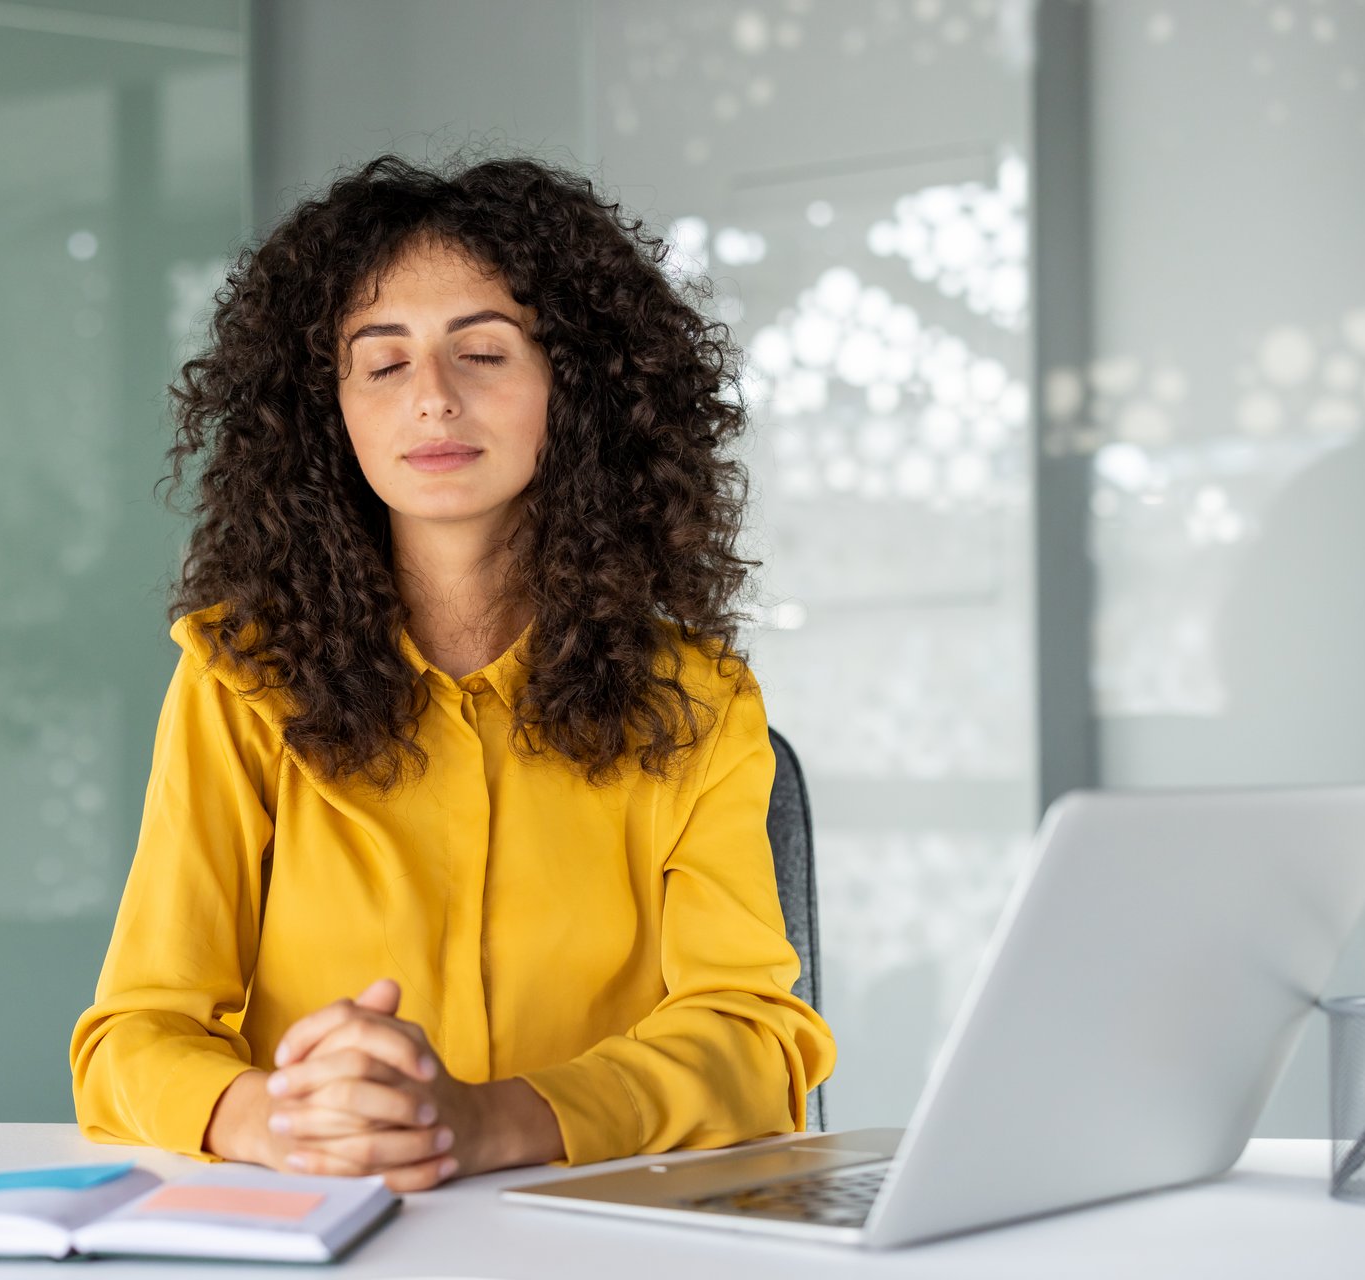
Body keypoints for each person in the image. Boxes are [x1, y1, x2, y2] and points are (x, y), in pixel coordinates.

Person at [68, 153, 834, 1192]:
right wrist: (281, 1119)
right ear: (326, 412)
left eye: (481, 352)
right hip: (317, 1234)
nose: (430, 398)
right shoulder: (236, 680)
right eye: (381, 364)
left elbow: (753, 1043)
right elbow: (132, 1037)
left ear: (580, 387)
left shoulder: (698, 700)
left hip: (595, 1243)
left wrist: (491, 1121)